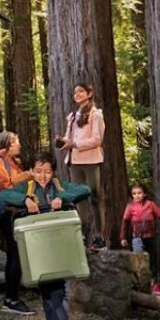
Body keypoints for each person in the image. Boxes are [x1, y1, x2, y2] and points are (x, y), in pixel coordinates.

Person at [0, 151, 75, 320]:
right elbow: (3, 195)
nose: (43, 175)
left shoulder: (59, 187)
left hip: (58, 244)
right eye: (38, 171)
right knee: (48, 292)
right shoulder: (27, 187)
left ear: (53, 172)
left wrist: (61, 197)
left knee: (59, 289)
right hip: (38, 248)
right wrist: (25, 200)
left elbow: (83, 190)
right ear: (31, 171)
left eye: (47, 171)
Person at [56, 82, 107, 250]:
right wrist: (63, 142)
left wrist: (74, 144)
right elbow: (68, 137)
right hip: (74, 162)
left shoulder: (95, 114)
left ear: (89, 93)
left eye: (81, 91)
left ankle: (99, 236)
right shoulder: (72, 116)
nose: (77, 94)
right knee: (79, 199)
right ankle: (84, 235)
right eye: (75, 92)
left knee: (95, 197)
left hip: (91, 161)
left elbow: (97, 140)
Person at [0, 131, 34, 315]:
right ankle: (12, 300)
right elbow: (6, 186)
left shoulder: (12, 161)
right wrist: (28, 175)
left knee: (14, 254)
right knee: (17, 253)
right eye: (16, 141)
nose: (19, 145)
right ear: (7, 144)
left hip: (15, 212)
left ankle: (10, 298)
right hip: (7, 213)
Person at [119, 183, 160, 295]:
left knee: (151, 261)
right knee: (139, 260)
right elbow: (125, 222)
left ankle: (153, 285)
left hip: (150, 237)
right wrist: (123, 237)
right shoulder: (130, 206)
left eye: (139, 193)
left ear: (144, 194)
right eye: (134, 193)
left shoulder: (150, 205)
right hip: (137, 238)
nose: (137, 196)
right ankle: (139, 286)